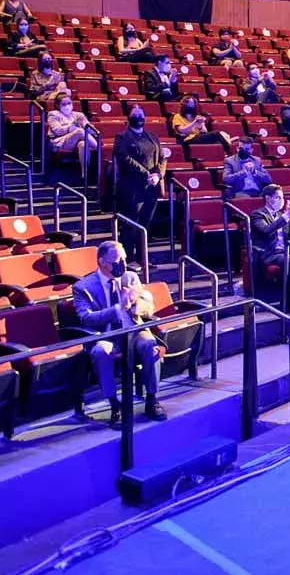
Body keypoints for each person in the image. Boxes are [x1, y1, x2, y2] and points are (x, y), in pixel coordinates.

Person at [72, 242, 165, 425]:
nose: (123, 263)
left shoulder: (130, 277)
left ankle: (152, 400)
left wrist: (137, 307)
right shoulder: (83, 287)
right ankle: (115, 406)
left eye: (124, 258)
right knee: (100, 352)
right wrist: (118, 309)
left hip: (133, 330)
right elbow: (86, 318)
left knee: (149, 344)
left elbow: (149, 305)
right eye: (118, 259)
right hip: (107, 335)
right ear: (103, 262)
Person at [113, 106, 164, 265]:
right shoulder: (122, 137)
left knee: (145, 223)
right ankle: (127, 259)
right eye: (135, 114)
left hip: (151, 187)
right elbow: (124, 158)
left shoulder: (152, 137)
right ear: (129, 117)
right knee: (130, 224)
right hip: (131, 187)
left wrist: (158, 174)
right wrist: (146, 174)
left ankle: (143, 259)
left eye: (141, 114)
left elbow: (162, 159)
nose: (139, 116)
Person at [249, 185, 290, 284]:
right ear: (268, 198)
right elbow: (266, 231)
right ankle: (289, 297)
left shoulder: (280, 215)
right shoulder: (257, 215)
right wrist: (286, 215)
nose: (281, 200)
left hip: (286, 252)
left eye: (282, 198)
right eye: (278, 197)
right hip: (270, 254)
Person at [47, 94, 97, 165]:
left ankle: (84, 174)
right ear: (58, 105)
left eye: (69, 103)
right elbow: (57, 130)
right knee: (79, 131)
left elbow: (91, 130)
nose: (67, 106)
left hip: (76, 140)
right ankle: (100, 150)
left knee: (83, 144)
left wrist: (87, 127)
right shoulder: (53, 114)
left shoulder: (79, 115)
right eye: (64, 104)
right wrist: (71, 127)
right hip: (59, 141)